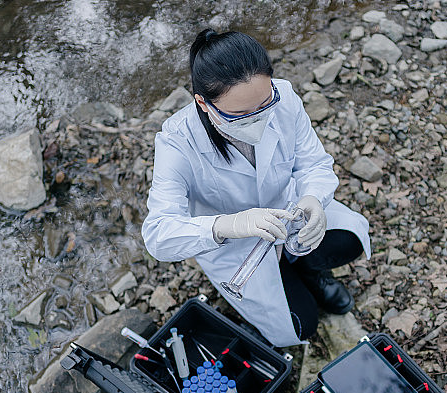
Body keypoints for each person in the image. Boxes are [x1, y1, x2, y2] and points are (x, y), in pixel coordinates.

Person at [142, 29, 371, 347]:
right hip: (237, 247)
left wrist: (313, 199)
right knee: (301, 326)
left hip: (289, 214)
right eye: (239, 114)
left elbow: (313, 164)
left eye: (265, 104)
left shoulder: (285, 97)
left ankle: (308, 269)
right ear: (203, 103)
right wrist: (230, 224)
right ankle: (287, 275)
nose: (259, 119)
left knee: (350, 241)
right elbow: (159, 235)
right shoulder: (177, 142)